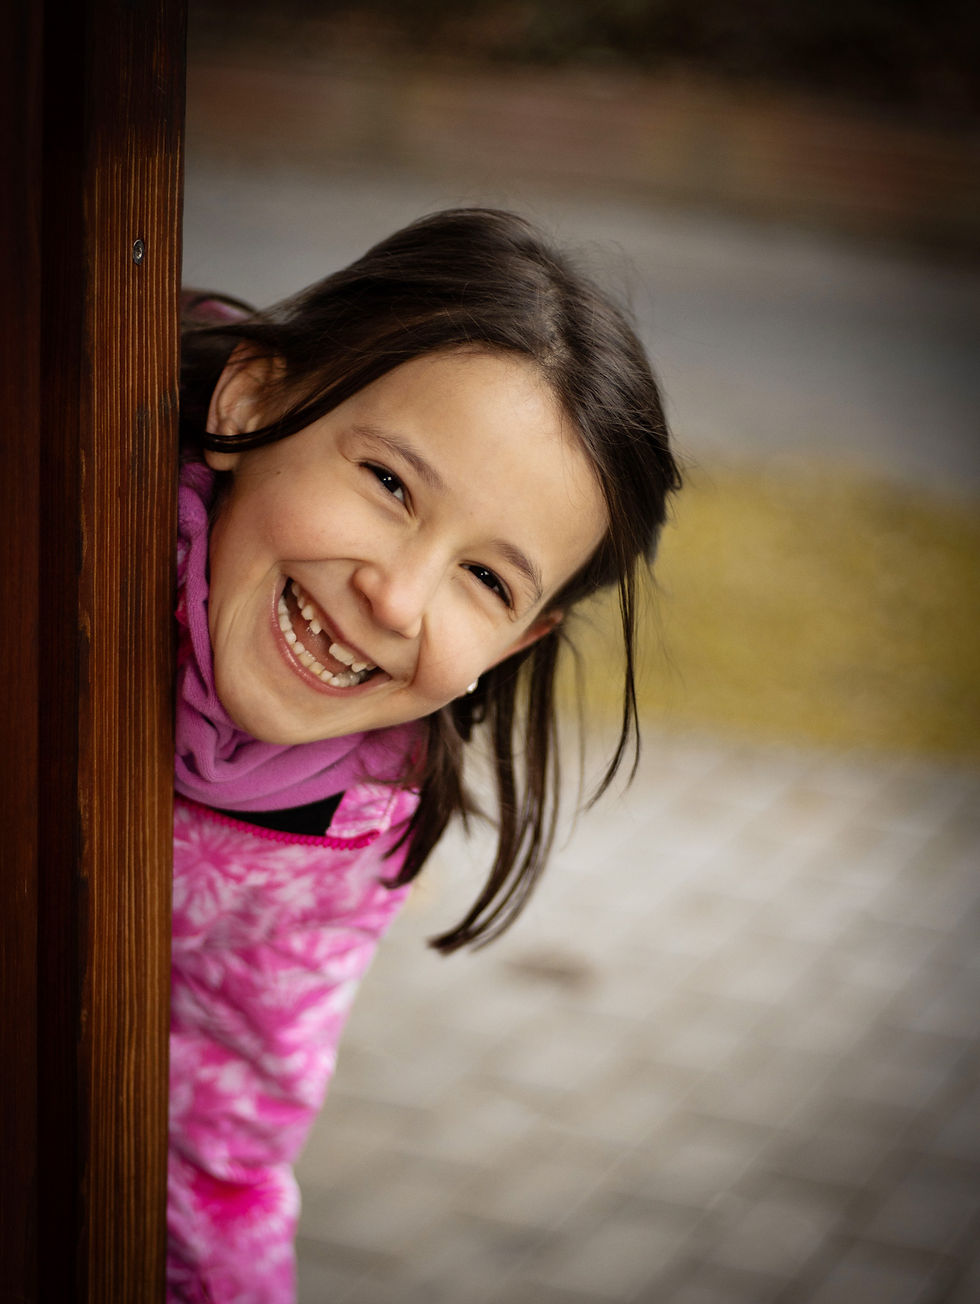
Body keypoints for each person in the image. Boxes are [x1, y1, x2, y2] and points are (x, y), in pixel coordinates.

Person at [168, 208, 681, 1302]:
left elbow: (218, 1146)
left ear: (518, 641)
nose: (394, 597)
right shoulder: (50, 502)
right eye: (390, 484)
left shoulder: (343, 836)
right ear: (252, 398)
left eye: (487, 581)